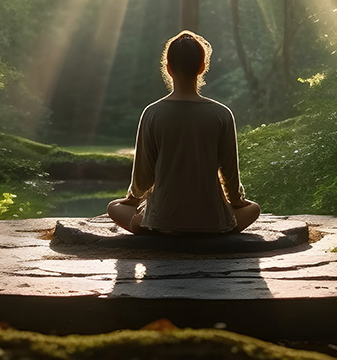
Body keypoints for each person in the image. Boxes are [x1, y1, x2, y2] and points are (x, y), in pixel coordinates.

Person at [107, 31, 261, 234]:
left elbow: (143, 177)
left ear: (168, 68)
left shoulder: (152, 113)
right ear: (202, 67)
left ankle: (159, 231)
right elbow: (230, 176)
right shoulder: (221, 114)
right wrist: (236, 201)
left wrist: (132, 200)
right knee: (254, 209)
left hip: (160, 224)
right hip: (211, 224)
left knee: (114, 207)